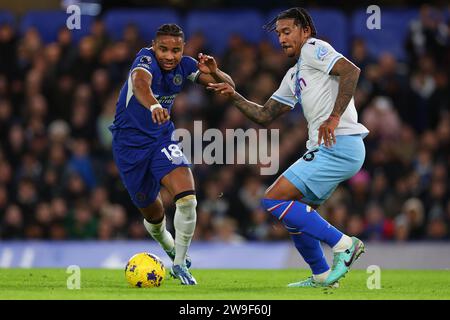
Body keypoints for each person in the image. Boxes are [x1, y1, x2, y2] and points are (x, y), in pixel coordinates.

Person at [207, 8, 368, 288]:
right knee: (295, 214)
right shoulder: (295, 75)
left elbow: (351, 71)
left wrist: (333, 117)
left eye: (287, 31)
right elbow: (265, 114)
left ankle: (343, 244)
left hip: (339, 143)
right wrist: (233, 94)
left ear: (305, 30)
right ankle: (321, 276)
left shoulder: (313, 48)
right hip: (330, 148)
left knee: (273, 199)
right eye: (279, 34)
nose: (281, 39)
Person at [109, 24, 234, 285]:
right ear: (154, 47)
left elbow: (229, 87)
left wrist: (215, 71)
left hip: (161, 139)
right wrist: (154, 103)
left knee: (187, 199)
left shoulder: (186, 66)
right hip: (129, 146)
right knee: (153, 215)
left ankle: (179, 264)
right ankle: (168, 244)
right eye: (163, 49)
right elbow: (141, 84)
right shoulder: (144, 60)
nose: (169, 56)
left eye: (175, 50)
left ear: (183, 49)